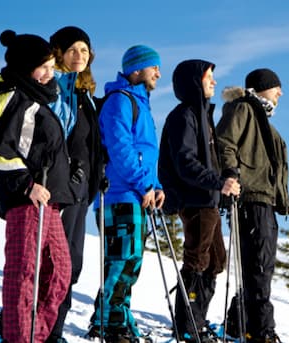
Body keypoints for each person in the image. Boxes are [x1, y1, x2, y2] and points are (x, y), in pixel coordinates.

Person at [0, 29, 72, 343]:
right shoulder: (15, 97)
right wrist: (26, 184)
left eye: (51, 66)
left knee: (59, 271)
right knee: (25, 274)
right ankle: (20, 338)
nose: (49, 72)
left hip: (49, 200)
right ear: (25, 67)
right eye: (42, 66)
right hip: (28, 201)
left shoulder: (35, 99)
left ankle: (37, 335)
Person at [158, 59, 240, 343]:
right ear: (195, 81)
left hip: (209, 199)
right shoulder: (184, 116)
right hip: (194, 199)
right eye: (209, 77)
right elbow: (185, 162)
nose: (214, 82)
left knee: (216, 260)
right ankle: (187, 325)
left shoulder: (203, 116)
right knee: (198, 259)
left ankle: (198, 320)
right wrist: (218, 182)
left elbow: (211, 160)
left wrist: (226, 177)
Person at [86, 44, 164, 342]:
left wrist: (154, 186)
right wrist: (144, 184)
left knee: (130, 262)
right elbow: (121, 150)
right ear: (135, 70)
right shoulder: (120, 101)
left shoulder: (140, 104)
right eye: (153, 66)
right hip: (119, 195)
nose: (158, 72)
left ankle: (115, 318)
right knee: (121, 260)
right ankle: (109, 322)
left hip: (135, 194)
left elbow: (145, 154)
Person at [216, 68, 289, 343]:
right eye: (276, 87)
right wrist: (232, 174)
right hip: (250, 198)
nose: (281, 93)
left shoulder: (264, 122)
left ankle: (238, 324)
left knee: (260, 266)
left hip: (264, 201)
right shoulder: (244, 109)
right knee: (259, 266)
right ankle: (261, 332)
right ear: (261, 88)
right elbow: (225, 143)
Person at [47, 25, 106, 342]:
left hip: (82, 190)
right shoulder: (52, 88)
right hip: (59, 187)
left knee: (72, 262)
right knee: (52, 262)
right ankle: (28, 326)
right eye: (72, 50)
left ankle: (54, 328)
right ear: (58, 52)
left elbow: (90, 143)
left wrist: (99, 169)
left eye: (84, 50)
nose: (79, 56)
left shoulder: (86, 96)